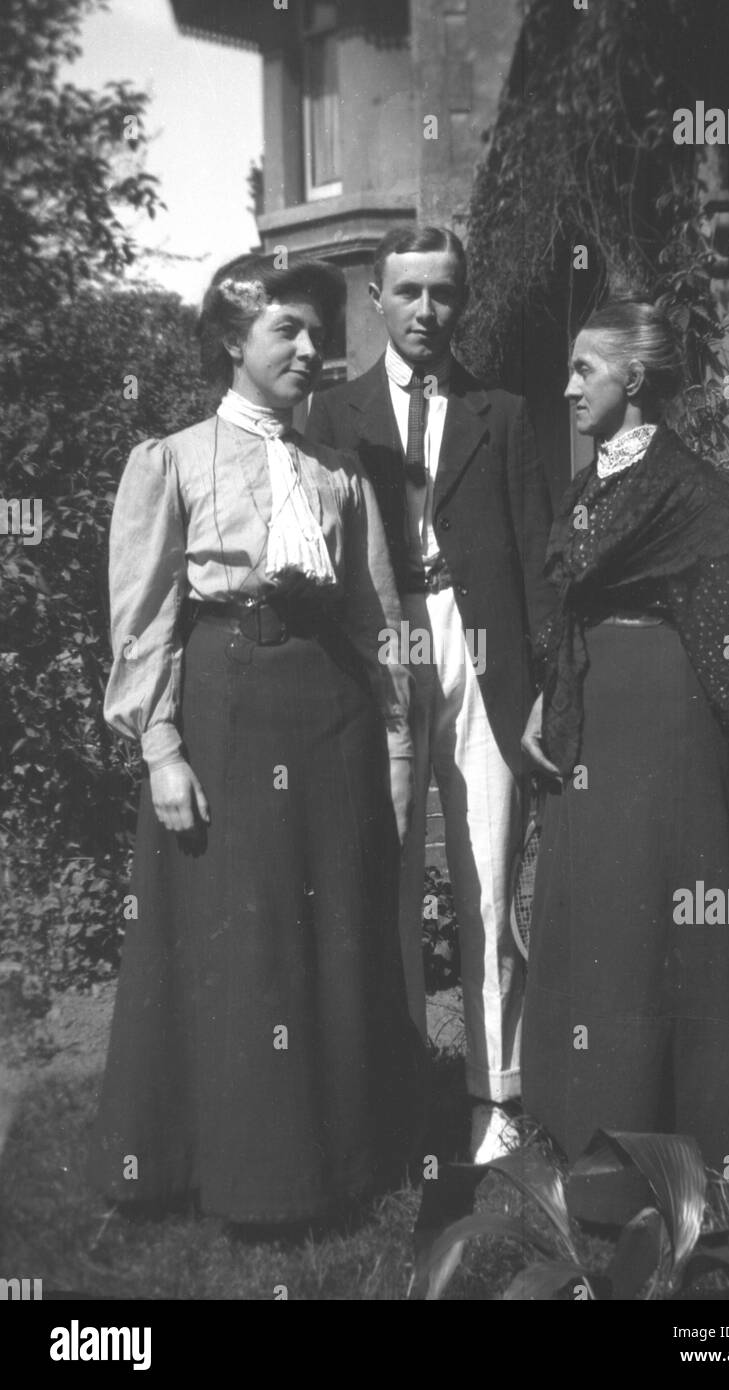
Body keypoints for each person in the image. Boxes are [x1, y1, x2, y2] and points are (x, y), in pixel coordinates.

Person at [88, 252, 421, 1227]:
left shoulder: (339, 474)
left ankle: (347, 1159)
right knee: (247, 943)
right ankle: (243, 1174)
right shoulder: (174, 461)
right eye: (288, 330)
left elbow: (373, 616)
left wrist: (394, 748)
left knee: (331, 934)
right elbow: (142, 618)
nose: (311, 350)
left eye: (319, 333)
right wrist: (158, 747)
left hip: (332, 716)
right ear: (233, 340)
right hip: (224, 709)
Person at [520, 300, 729, 1219]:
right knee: (597, 928)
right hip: (592, 715)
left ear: (630, 380)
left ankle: (701, 1162)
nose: (567, 389)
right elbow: (567, 607)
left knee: (662, 933)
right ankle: (596, 1158)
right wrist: (546, 698)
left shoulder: (689, 488)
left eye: (583, 372)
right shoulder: (590, 483)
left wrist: (711, 732)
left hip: (664, 725)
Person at [306, 226, 556, 1162]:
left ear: (463, 300)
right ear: (375, 298)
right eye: (406, 293)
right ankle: (403, 1095)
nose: (425, 312)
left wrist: (538, 692)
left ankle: (497, 1099)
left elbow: (538, 559)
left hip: (481, 651)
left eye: (442, 294)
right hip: (383, 649)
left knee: (489, 882)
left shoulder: (504, 411)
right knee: (388, 878)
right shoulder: (334, 415)